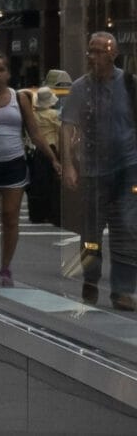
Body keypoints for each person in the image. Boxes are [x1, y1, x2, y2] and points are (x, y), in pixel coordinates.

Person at [0, 52, 60, 287]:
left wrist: (53, 158)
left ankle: (5, 268)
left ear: (8, 74)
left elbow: (35, 132)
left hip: (14, 163)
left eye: (0, 69)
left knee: (10, 218)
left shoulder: (20, 98)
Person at [61, 32, 137, 311]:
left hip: (128, 168)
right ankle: (91, 281)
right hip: (94, 171)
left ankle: (123, 291)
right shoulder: (81, 88)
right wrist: (68, 164)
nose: (92, 57)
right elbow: (67, 125)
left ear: (113, 55)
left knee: (127, 229)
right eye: (90, 52)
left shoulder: (129, 84)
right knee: (91, 232)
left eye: (99, 52)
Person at [25, 86, 63, 226]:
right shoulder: (54, 114)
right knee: (53, 184)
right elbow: (59, 133)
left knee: (38, 183)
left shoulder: (32, 115)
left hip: (37, 151)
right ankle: (53, 214)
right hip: (52, 149)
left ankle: (37, 214)